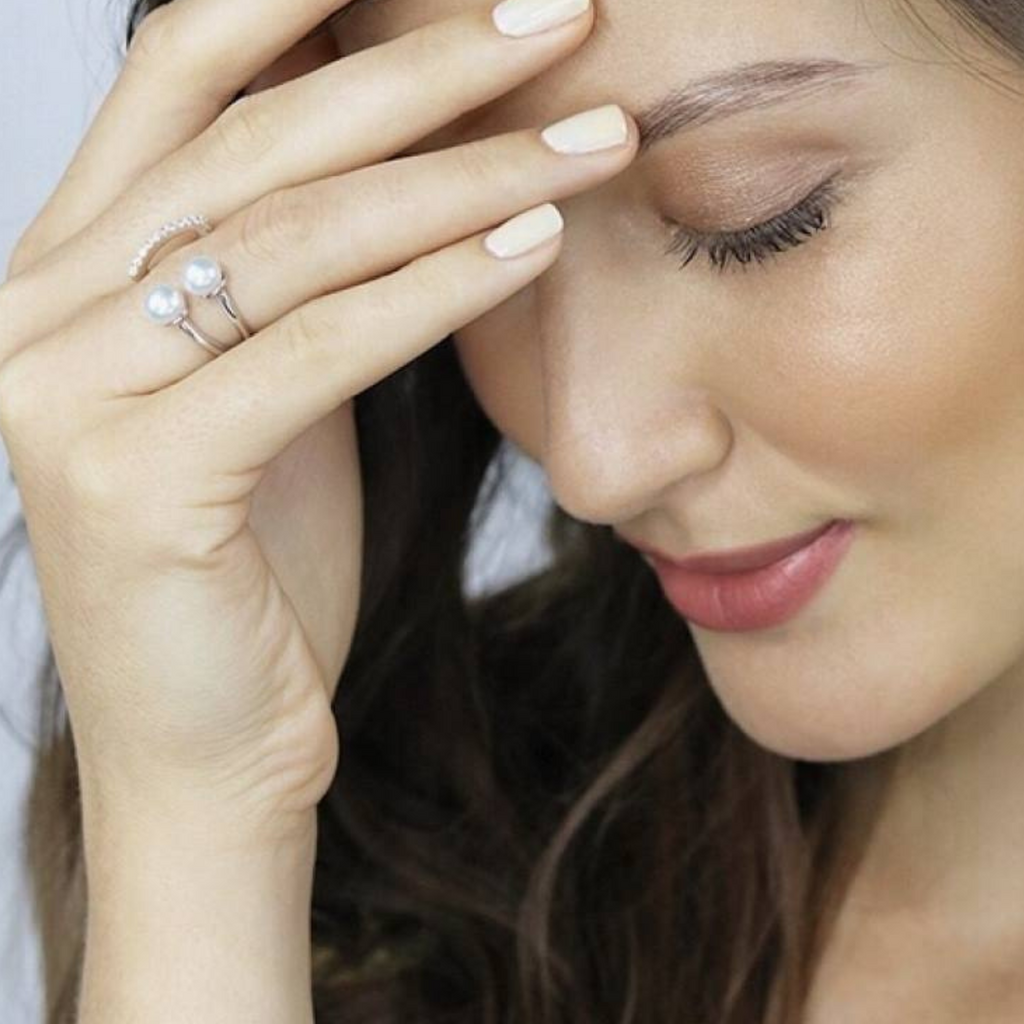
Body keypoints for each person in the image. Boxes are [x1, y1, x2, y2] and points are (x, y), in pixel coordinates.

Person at [3, 0, 1024, 1020]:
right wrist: (201, 825)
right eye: (475, 237)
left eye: (750, 217)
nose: (591, 464)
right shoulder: (411, 877)